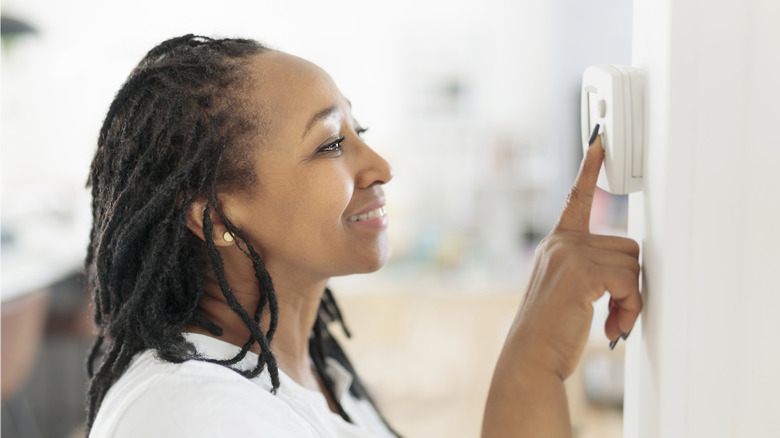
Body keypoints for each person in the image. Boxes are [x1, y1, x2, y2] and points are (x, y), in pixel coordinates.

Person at [84, 35, 641, 437]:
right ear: (217, 217)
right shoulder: (188, 415)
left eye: (360, 132)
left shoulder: (315, 376)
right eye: (330, 144)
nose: (380, 166)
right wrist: (533, 361)